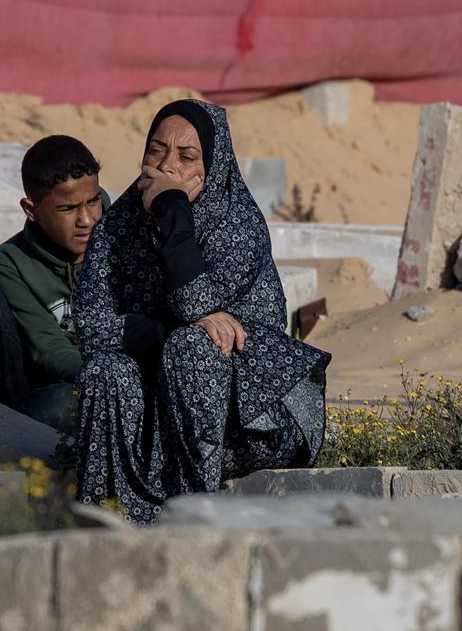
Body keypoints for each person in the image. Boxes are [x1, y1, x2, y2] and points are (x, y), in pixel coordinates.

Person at [72, 99, 331, 524]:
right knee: (105, 371)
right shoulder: (116, 227)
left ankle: (195, 519)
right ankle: (107, 522)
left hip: (252, 417)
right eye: (156, 150)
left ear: (212, 164)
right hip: (161, 413)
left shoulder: (237, 226)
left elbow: (192, 300)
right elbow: (90, 327)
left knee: (193, 345)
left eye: (187, 157)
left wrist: (174, 210)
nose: (167, 164)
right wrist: (157, 332)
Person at [0, 135, 108, 433]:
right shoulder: (10, 262)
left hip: (119, 385)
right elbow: (48, 348)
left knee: (67, 408)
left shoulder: (126, 235)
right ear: (31, 210)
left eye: (93, 201)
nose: (86, 219)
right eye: (68, 209)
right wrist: (105, 374)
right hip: (45, 385)